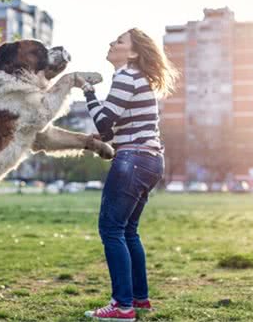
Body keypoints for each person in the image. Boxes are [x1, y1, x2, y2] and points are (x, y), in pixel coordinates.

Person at [76, 28, 179, 321]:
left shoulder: (126, 76)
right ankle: (139, 299)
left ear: (132, 53)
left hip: (132, 160)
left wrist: (87, 91)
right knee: (128, 231)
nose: (111, 43)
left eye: (119, 41)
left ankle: (123, 306)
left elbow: (106, 124)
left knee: (111, 230)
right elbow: (115, 126)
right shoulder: (137, 78)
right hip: (150, 160)